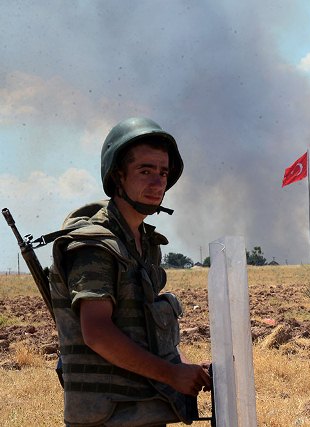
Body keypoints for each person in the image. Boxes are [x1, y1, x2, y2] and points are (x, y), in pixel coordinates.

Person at [49, 117, 211, 426]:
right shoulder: (94, 245)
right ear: (117, 176)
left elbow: (144, 329)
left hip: (142, 408)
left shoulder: (143, 244)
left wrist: (186, 366)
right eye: (145, 171)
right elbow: (97, 332)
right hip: (109, 416)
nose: (158, 182)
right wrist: (171, 374)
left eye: (163, 172)